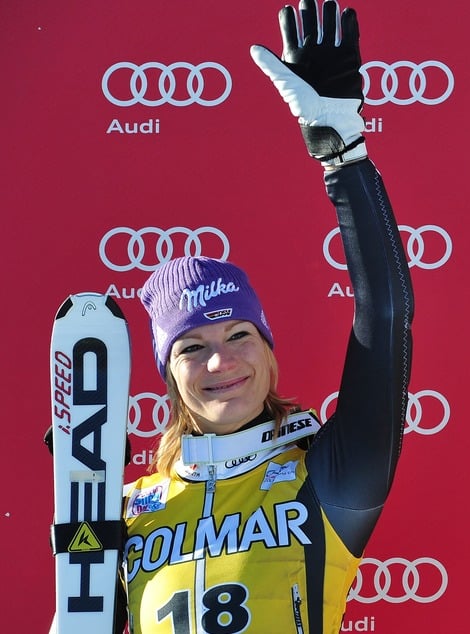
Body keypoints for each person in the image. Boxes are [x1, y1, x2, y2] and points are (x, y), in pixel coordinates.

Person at [51, 2, 413, 632]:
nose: (221, 361)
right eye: (191, 347)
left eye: (239, 334)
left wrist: (343, 154)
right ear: (168, 372)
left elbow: (385, 316)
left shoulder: (327, 477)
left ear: (270, 352)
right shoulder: (128, 509)